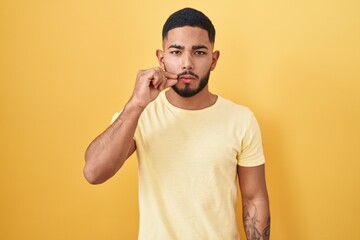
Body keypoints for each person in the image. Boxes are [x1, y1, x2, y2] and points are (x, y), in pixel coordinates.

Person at [84, 7, 270, 240]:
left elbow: (254, 198)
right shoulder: (141, 114)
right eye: (176, 52)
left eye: (199, 52)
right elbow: (93, 172)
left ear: (214, 60)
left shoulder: (241, 119)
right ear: (161, 59)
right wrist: (135, 105)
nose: (187, 63)